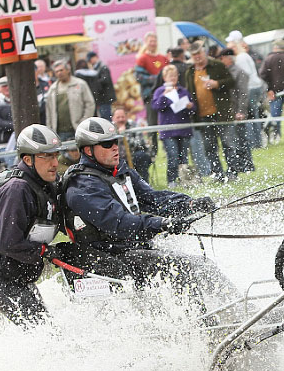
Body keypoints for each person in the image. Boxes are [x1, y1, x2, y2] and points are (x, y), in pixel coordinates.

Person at [59, 117, 233, 306]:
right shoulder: (82, 186)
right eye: (107, 144)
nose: (115, 147)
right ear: (88, 150)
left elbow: (154, 200)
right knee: (179, 267)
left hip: (135, 251)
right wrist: (162, 224)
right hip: (110, 257)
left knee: (203, 264)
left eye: (115, 141)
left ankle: (234, 310)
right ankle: (205, 325)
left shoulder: (121, 172)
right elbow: (118, 223)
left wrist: (189, 204)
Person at [0, 125, 65, 326]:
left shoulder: (44, 182)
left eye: (56, 156)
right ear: (28, 159)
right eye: (46, 157)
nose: (55, 163)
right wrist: (44, 251)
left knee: (46, 328)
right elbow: (8, 244)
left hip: (16, 273)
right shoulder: (17, 189)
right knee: (44, 331)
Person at [186, 41, 241, 181]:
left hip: (221, 112)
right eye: (194, 54)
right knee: (209, 147)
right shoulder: (190, 71)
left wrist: (217, 84)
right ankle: (218, 174)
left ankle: (232, 173)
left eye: (198, 53)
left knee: (228, 144)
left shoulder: (217, 65)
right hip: (203, 115)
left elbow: (232, 82)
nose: (197, 56)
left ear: (203, 52)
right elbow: (190, 92)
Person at [151, 64, 194, 187]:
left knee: (184, 157)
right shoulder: (159, 91)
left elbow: (192, 110)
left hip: (184, 129)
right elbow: (156, 107)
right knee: (173, 157)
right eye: (170, 76)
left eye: (175, 75)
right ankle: (172, 180)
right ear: (164, 77)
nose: (173, 78)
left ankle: (184, 179)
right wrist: (164, 95)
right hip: (168, 131)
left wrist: (190, 106)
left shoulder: (183, 91)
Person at [219, 48, 255, 174]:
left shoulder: (240, 72)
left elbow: (243, 93)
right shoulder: (224, 72)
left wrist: (241, 111)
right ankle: (238, 165)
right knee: (232, 140)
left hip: (237, 111)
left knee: (241, 139)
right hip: (227, 112)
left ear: (228, 58)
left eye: (222, 58)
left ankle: (247, 164)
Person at [45, 59, 96, 141]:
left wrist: (83, 122)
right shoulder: (53, 89)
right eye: (57, 71)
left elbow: (90, 104)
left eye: (61, 70)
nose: (59, 73)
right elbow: (49, 111)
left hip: (77, 129)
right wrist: (50, 129)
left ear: (68, 70)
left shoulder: (80, 84)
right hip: (59, 133)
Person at [112, 106, 153, 182]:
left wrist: (125, 135)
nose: (121, 119)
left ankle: (144, 184)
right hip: (118, 157)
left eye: (122, 117)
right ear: (113, 118)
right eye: (118, 117)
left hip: (134, 155)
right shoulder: (110, 128)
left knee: (142, 156)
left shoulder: (133, 125)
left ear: (126, 117)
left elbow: (139, 143)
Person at [87, 51, 117, 120]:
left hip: (104, 98)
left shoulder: (102, 67)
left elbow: (105, 80)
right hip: (102, 98)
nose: (90, 61)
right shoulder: (97, 68)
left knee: (106, 118)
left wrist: (95, 83)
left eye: (90, 59)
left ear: (95, 57)